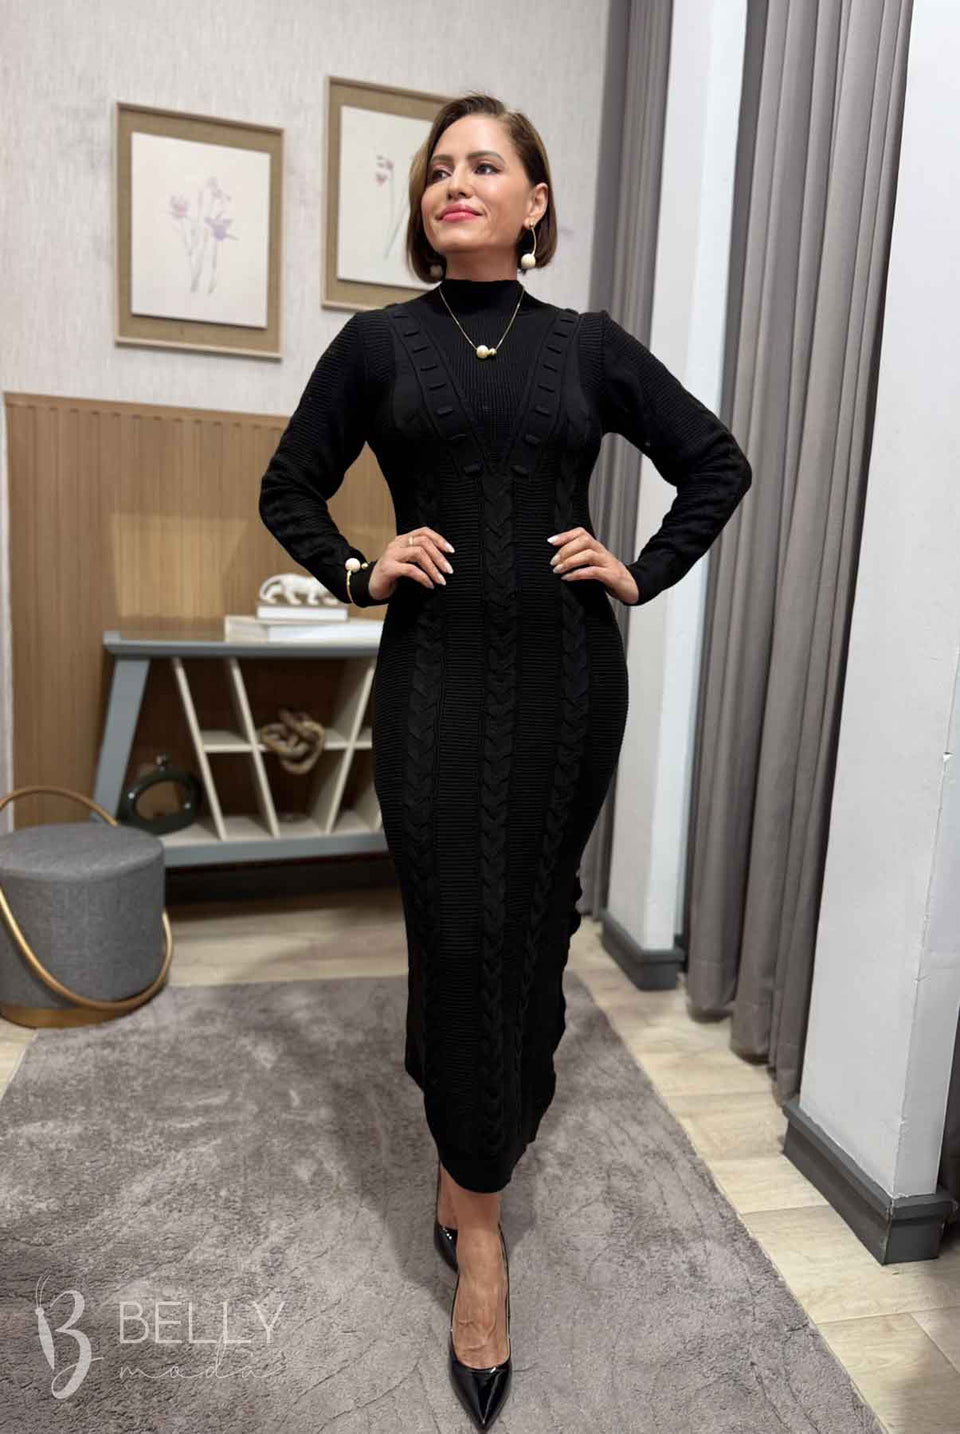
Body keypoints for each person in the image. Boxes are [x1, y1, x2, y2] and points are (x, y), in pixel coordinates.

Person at [259, 91, 752, 1430]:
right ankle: (479, 1233)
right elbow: (288, 485)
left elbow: (713, 461)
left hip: (566, 688)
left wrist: (640, 569)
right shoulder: (378, 345)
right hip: (432, 684)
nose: (454, 181)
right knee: (457, 927)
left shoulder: (587, 347)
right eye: (439, 168)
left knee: (532, 933)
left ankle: (478, 1137)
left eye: (485, 164)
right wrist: (360, 568)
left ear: (536, 204)